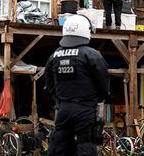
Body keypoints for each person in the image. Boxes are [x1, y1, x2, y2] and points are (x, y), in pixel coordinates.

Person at [45, 14, 109, 156]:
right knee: (86, 146)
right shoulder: (92, 55)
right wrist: (99, 99)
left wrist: (58, 100)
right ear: (85, 31)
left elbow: (49, 83)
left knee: (59, 147)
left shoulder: (55, 55)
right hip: (86, 109)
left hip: (63, 109)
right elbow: (104, 82)